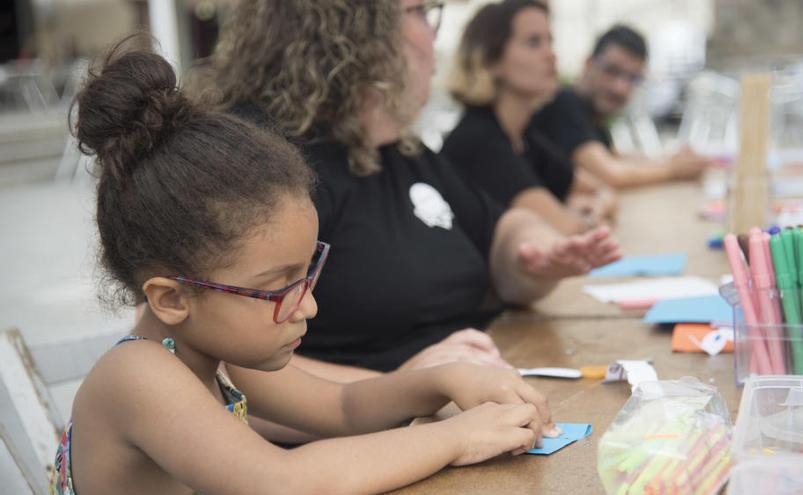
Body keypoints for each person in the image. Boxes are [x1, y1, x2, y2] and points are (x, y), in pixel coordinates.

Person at [50, 42, 560, 495]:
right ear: (172, 298)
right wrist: (453, 437)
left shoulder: (215, 352)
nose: (308, 304)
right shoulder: (138, 376)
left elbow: (344, 409)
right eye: (278, 288)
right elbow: (283, 481)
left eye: (307, 273)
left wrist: (445, 379)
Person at [203, 0, 622, 383]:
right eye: (421, 12)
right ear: (357, 29)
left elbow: (500, 231)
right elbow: (215, 367)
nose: (435, 35)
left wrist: (534, 253)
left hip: (461, 402)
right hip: (364, 443)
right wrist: (405, 387)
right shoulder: (258, 163)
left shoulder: (398, 150)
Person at [443, 0, 616, 236]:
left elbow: (600, 190)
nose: (551, 54)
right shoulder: (479, 140)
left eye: (550, 41)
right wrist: (581, 214)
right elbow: (566, 230)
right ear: (491, 60)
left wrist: (589, 208)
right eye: (534, 43)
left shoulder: (522, 136)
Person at [530, 24, 711, 189]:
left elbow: (616, 158)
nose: (620, 88)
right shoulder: (563, 105)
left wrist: (670, 160)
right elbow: (611, 175)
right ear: (587, 64)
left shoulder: (590, 116)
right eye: (612, 71)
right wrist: (673, 170)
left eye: (632, 78)